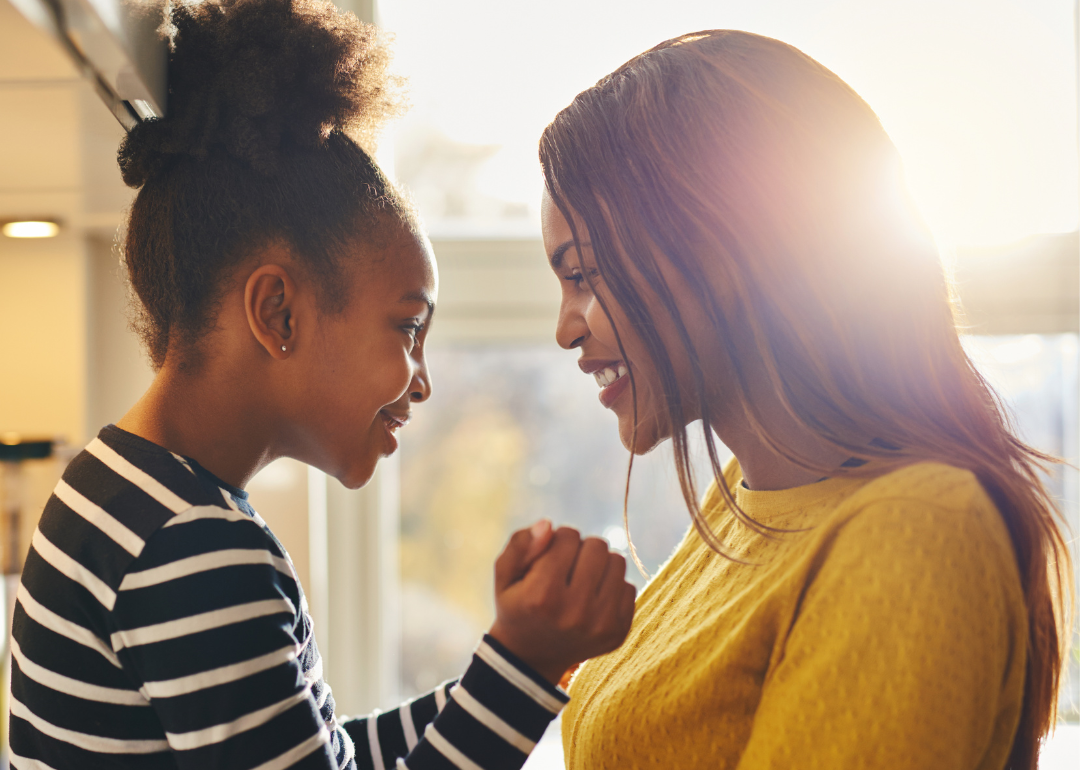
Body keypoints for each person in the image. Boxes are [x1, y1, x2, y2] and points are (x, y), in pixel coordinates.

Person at [8, 1, 636, 769]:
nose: (424, 382)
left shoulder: (115, 488)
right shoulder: (195, 549)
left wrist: (517, 661)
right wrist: (523, 669)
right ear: (278, 312)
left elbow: (319, 751)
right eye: (408, 329)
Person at [539, 30, 1073, 770]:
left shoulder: (912, 534)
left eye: (584, 275)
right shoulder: (744, 497)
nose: (567, 328)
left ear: (716, 247)